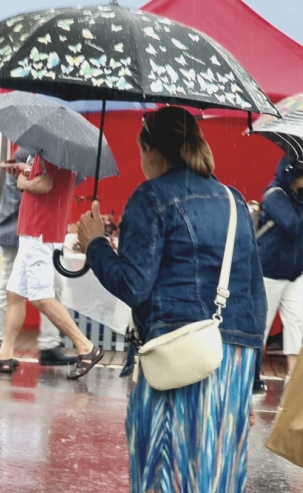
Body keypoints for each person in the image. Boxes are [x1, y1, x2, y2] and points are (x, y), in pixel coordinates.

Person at [77, 107, 266, 492]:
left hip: (178, 353)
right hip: (235, 359)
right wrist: (252, 382)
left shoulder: (151, 197)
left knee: (166, 468)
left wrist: (95, 244)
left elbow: (133, 285)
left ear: (150, 150)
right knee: (218, 474)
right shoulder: (234, 201)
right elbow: (255, 296)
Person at [0, 152, 98, 377]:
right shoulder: (58, 154)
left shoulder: (49, 151)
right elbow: (46, 178)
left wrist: (21, 180)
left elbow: (44, 183)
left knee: (41, 297)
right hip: (35, 231)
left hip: (39, 231)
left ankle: (86, 347)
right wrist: (24, 168)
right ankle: (4, 354)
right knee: (14, 293)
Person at [0, 146, 75, 365]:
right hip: (23, 228)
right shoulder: (34, 153)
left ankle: (45, 344)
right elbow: (39, 186)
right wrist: (25, 176)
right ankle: (1, 342)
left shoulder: (49, 154)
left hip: (33, 228)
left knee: (33, 289)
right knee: (22, 288)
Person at [252, 155, 303, 392]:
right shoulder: (275, 195)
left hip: (296, 274)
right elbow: (293, 225)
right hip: (270, 273)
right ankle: (252, 377)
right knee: (260, 326)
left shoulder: (298, 197)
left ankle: (295, 381)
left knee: (297, 324)